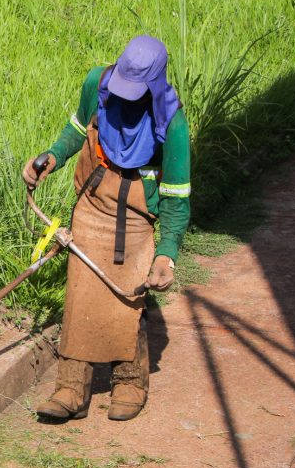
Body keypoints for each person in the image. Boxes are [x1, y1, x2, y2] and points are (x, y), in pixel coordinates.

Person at [25, 35, 190, 421]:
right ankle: (70, 388)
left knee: (127, 297)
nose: (126, 98)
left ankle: (130, 382)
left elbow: (177, 200)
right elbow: (77, 131)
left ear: (152, 88)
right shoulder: (97, 84)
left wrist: (167, 254)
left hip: (136, 219)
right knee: (80, 295)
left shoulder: (173, 124)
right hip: (93, 203)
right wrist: (51, 157)